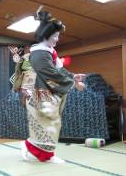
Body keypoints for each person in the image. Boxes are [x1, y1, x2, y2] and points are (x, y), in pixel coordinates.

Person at [20, 9, 85, 164]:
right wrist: (72, 83)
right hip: (41, 92)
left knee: (50, 123)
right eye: (55, 36)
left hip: (45, 91)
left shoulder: (48, 51)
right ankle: (39, 151)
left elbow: (59, 70)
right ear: (46, 36)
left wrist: (72, 76)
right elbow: (50, 74)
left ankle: (36, 149)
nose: (57, 40)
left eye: (57, 36)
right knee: (48, 122)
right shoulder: (40, 54)